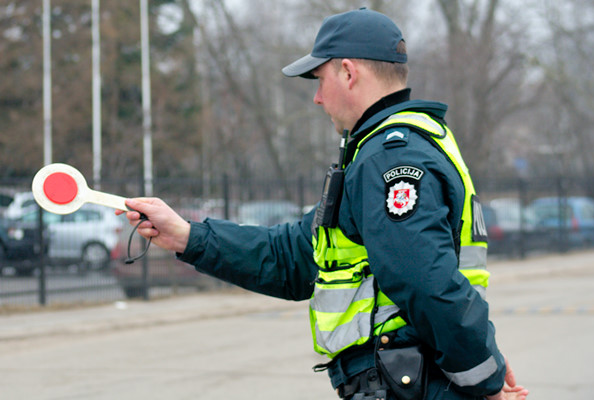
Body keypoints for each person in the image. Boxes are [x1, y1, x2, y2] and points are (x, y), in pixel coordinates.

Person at [119, 8, 529, 400]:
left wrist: (485, 378)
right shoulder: (399, 147)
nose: (316, 98)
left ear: (348, 72)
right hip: (413, 380)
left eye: (319, 79)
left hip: (413, 384)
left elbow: (425, 282)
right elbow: (294, 257)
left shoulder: (390, 157)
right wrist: (187, 236)